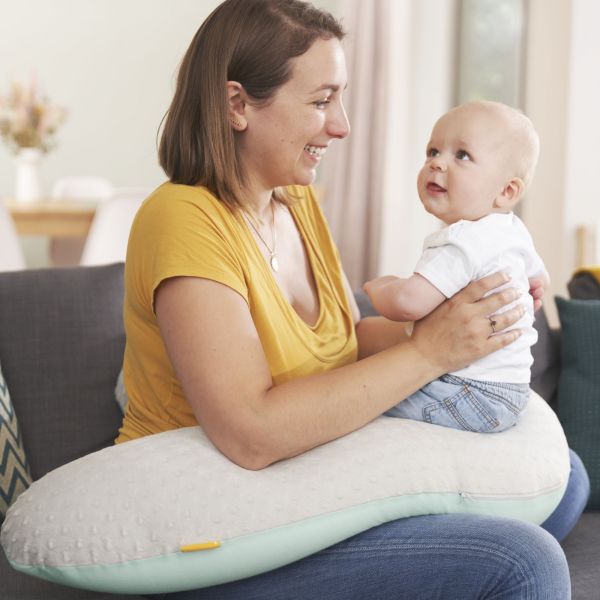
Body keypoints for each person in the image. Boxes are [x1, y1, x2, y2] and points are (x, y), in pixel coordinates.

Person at [115, 0, 588, 597]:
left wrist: (468, 329)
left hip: (296, 483)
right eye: (320, 101)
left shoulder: (294, 200)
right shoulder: (183, 219)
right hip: (212, 523)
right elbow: (250, 433)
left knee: (567, 479)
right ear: (237, 105)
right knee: (525, 562)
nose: (340, 125)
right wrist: (428, 354)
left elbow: (345, 340)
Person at [364, 101, 550, 433]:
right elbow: (539, 277)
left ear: (507, 191)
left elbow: (407, 302)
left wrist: (380, 287)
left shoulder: (463, 240)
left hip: (469, 392)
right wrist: (534, 286)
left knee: (365, 398)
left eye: (461, 155)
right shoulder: (510, 229)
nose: (437, 163)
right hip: (512, 390)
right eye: (433, 151)